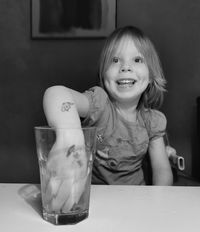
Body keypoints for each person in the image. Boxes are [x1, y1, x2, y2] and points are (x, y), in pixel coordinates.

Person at [43, 26, 173, 212]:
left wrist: (158, 202)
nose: (125, 67)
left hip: (138, 204)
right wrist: (70, 136)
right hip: (94, 203)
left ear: (151, 75)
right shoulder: (99, 103)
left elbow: (161, 169)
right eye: (115, 60)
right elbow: (56, 93)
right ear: (104, 75)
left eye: (137, 60)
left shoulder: (153, 121)